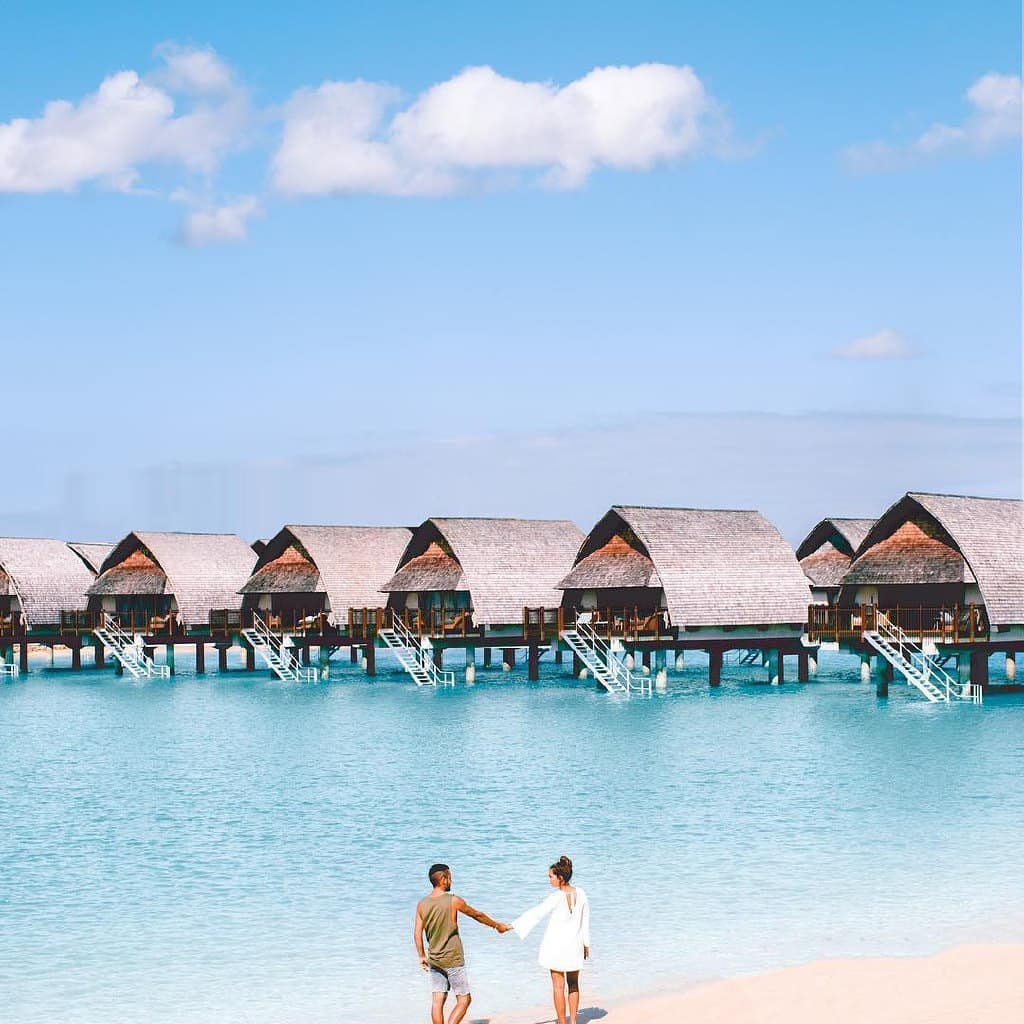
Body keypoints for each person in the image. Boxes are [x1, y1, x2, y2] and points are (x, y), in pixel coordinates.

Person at [414, 863, 511, 1024]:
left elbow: (417, 933)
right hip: (453, 959)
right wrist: (497, 925)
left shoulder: (422, 904)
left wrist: (421, 956)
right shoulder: (453, 900)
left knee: (438, 1000)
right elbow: (477, 915)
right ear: (443, 879)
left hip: (434, 959)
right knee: (464, 1000)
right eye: (450, 877)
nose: (451, 881)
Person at [511, 856, 591, 1024]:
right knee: (574, 984)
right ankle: (574, 1021)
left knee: (558, 987)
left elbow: (536, 914)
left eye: (551, 876)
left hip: (557, 948)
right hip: (575, 946)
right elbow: (586, 920)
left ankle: (562, 1022)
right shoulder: (581, 893)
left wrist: (511, 926)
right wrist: (586, 944)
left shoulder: (556, 897)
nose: (549, 880)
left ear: (560, 878)